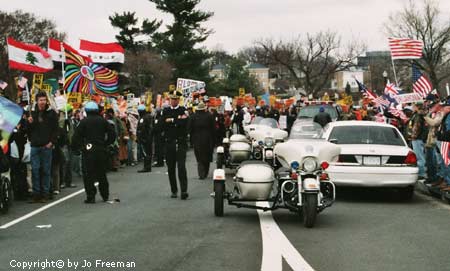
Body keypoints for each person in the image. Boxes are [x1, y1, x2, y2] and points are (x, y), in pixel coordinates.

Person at [72, 101, 116, 203]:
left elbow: (75, 138)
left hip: (88, 151)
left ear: (86, 111)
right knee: (102, 174)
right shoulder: (103, 121)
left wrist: (80, 147)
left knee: (88, 175)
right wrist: (106, 143)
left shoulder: (83, 122)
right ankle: (105, 195)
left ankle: (91, 196)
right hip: (101, 150)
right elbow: (112, 134)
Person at [27, 91, 58, 203]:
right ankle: (36, 194)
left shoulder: (51, 113)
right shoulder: (32, 113)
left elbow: (56, 130)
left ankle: (46, 193)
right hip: (35, 146)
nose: (42, 102)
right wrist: (29, 122)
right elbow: (28, 130)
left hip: (46, 146)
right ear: (37, 101)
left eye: (44, 100)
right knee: (35, 170)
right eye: (40, 100)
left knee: (46, 170)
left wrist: (51, 142)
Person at [162, 90, 189, 199]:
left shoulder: (183, 110)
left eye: (176, 99)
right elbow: (162, 123)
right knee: (171, 168)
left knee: (181, 167)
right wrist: (177, 120)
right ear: (170, 100)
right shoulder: (166, 110)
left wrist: (172, 120)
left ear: (179, 100)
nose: (174, 101)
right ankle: (174, 190)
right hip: (169, 142)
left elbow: (185, 123)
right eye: (172, 99)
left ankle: (184, 190)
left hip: (180, 142)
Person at [189, 102, 215, 179]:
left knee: (199, 156)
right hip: (208, 138)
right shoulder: (209, 116)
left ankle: (201, 173)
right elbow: (213, 128)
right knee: (207, 155)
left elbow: (189, 128)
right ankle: (206, 172)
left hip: (197, 138)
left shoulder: (193, 117)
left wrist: (191, 138)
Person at [406, 102, 428, 180]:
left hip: (417, 138)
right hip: (417, 138)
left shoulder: (418, 115)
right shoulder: (416, 114)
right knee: (419, 155)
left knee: (419, 156)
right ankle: (421, 172)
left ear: (417, 107)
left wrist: (413, 136)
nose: (412, 107)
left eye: (414, 105)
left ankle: (422, 173)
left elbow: (416, 127)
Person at [136, 105, 154, 173]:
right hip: (149, 137)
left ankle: (146, 167)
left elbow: (141, 129)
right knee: (149, 152)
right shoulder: (150, 116)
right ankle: (148, 167)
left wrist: (139, 138)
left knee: (146, 153)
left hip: (145, 138)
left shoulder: (143, 118)